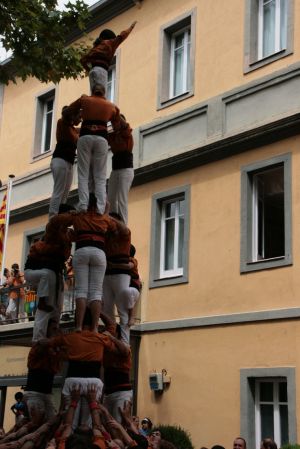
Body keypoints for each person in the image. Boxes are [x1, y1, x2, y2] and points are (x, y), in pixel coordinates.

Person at [54, 194, 126, 332]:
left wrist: (72, 212)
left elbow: (61, 221)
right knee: (96, 293)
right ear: (97, 204)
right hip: (98, 252)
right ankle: (94, 327)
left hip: (81, 251)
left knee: (81, 291)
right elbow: (115, 229)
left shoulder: (78, 216)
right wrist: (106, 210)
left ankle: (79, 326)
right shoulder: (103, 218)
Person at [64, 84, 121, 215]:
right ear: (104, 92)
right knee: (100, 176)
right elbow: (117, 127)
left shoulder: (84, 100)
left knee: (83, 173)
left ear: (93, 91)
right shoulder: (111, 106)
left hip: (85, 137)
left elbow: (67, 112)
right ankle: (100, 208)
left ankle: (83, 204)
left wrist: (79, 115)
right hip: (101, 139)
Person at [24, 206, 73, 341]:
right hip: (36, 272)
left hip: (55, 273)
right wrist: (76, 214)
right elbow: (57, 221)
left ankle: (51, 332)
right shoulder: (52, 229)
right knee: (45, 309)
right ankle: (38, 338)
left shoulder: (66, 233)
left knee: (57, 308)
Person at [80, 22, 137, 92]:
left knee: (95, 95)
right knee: (100, 95)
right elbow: (121, 36)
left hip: (94, 72)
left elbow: (82, 60)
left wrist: (89, 70)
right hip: (101, 71)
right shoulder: (109, 44)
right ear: (109, 38)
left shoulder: (94, 49)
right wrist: (131, 28)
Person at [49, 106, 81, 218]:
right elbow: (76, 135)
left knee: (65, 192)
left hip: (68, 162)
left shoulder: (72, 129)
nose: (80, 120)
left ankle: (60, 214)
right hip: (60, 160)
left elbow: (81, 130)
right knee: (59, 190)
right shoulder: (62, 123)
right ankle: (53, 216)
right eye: (78, 117)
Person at [103, 220, 132, 344]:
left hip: (120, 274)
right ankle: (112, 337)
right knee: (107, 309)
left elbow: (124, 229)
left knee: (122, 310)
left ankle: (124, 342)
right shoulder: (107, 236)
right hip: (108, 274)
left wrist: (109, 217)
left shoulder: (124, 235)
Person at [101, 314, 132, 423]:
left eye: (111, 331)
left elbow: (124, 351)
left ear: (117, 333)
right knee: (106, 423)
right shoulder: (106, 349)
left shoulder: (124, 346)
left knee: (117, 423)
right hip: (108, 392)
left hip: (121, 393)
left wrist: (111, 337)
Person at [107, 115, 134, 224]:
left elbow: (125, 125)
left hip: (126, 170)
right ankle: (114, 221)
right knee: (111, 198)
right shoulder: (112, 136)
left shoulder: (126, 133)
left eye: (115, 122)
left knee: (122, 199)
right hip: (116, 170)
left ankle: (124, 225)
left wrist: (115, 114)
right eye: (112, 123)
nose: (113, 125)